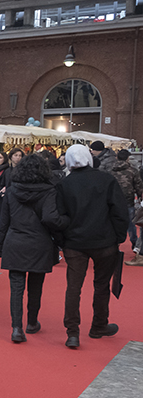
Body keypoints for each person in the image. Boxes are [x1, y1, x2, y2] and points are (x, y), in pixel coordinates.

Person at [56, 145, 128, 349]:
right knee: (102, 285)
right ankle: (98, 326)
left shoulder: (64, 184)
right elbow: (120, 212)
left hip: (75, 243)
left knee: (73, 287)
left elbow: (59, 216)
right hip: (104, 241)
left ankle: (72, 332)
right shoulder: (106, 180)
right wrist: (118, 237)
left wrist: (62, 240)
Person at [0, 154, 67, 343]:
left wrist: (0, 245)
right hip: (39, 242)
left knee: (16, 288)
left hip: (15, 241)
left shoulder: (11, 191)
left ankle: (16, 328)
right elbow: (51, 218)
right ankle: (32, 322)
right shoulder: (49, 191)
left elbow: (4, 221)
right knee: (36, 286)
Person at [108, 149, 143, 254]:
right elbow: (138, 186)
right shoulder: (132, 171)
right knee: (131, 223)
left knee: (112, 222)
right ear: (128, 158)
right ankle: (134, 242)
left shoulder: (110, 170)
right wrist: (140, 197)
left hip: (113, 200)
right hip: (128, 199)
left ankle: (113, 243)